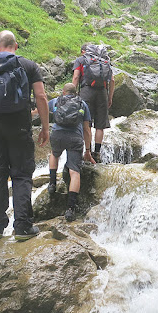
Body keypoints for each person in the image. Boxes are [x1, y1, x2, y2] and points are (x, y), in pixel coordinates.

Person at [0, 30, 49, 241]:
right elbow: (41, 97)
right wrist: (45, 127)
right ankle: (23, 227)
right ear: (16, 46)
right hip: (20, 127)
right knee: (21, 175)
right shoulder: (28, 66)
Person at [48, 83, 95, 221]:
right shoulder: (83, 104)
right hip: (75, 138)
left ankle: (52, 184)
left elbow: (41, 107)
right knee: (74, 172)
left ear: (63, 91)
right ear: (76, 93)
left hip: (57, 134)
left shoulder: (56, 101)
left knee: (54, 154)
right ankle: (70, 209)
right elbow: (87, 130)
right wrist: (88, 150)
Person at [72, 43, 115, 163]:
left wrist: (71, 95)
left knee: (87, 123)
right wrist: (110, 97)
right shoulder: (104, 61)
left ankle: (87, 152)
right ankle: (97, 153)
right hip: (102, 93)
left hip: (86, 92)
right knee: (100, 125)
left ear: (83, 51)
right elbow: (112, 80)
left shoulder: (81, 60)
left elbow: (76, 78)